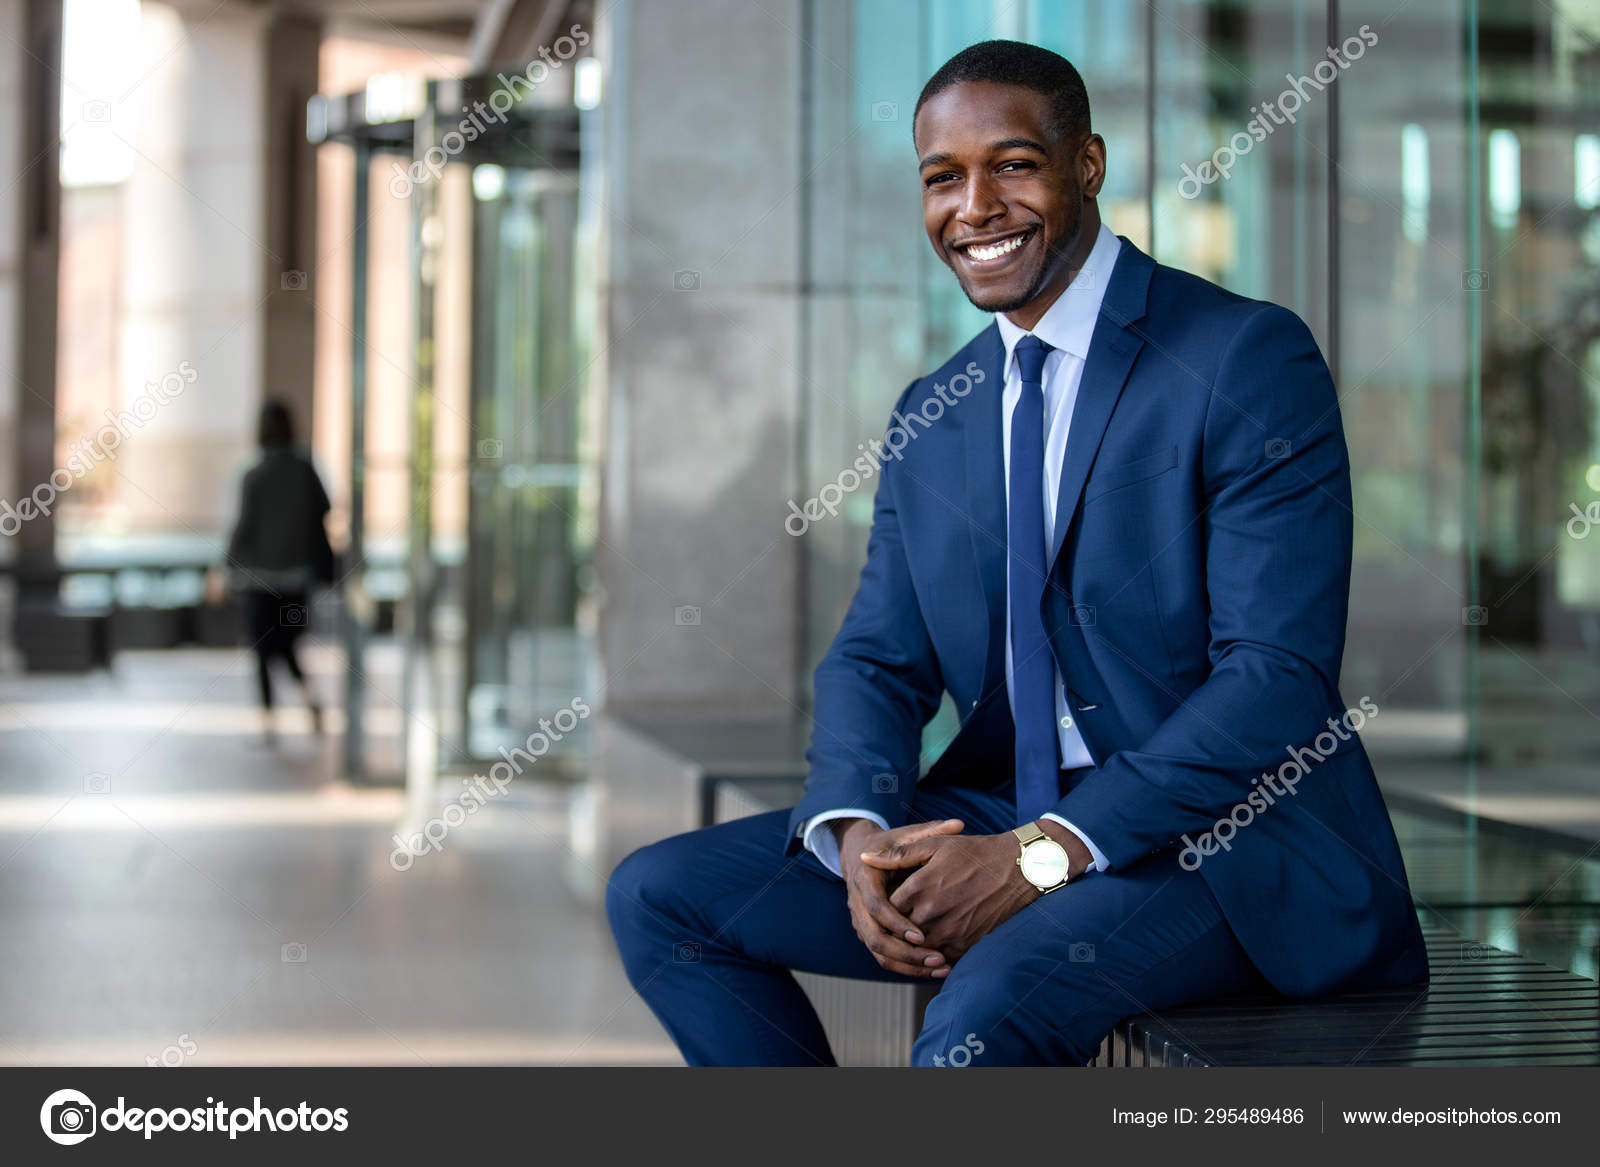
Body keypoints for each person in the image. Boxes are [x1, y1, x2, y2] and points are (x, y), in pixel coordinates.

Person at [606, 40, 1428, 1066]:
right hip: (1006, 809)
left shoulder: (1241, 357)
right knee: (661, 896)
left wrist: (1040, 856)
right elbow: (875, 658)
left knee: (987, 1014)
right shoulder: (934, 415)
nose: (975, 206)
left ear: (1085, 164)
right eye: (942, 177)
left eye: (1014, 164)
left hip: (1221, 849)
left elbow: (1276, 679)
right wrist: (856, 836)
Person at [225, 399, 332, 743]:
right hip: (296, 578)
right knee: (287, 647)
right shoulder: (305, 469)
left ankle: (269, 723)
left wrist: (226, 566)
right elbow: (324, 510)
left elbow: (243, 527)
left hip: (259, 579)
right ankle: (310, 701)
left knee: (263, 651)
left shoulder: (254, 475)